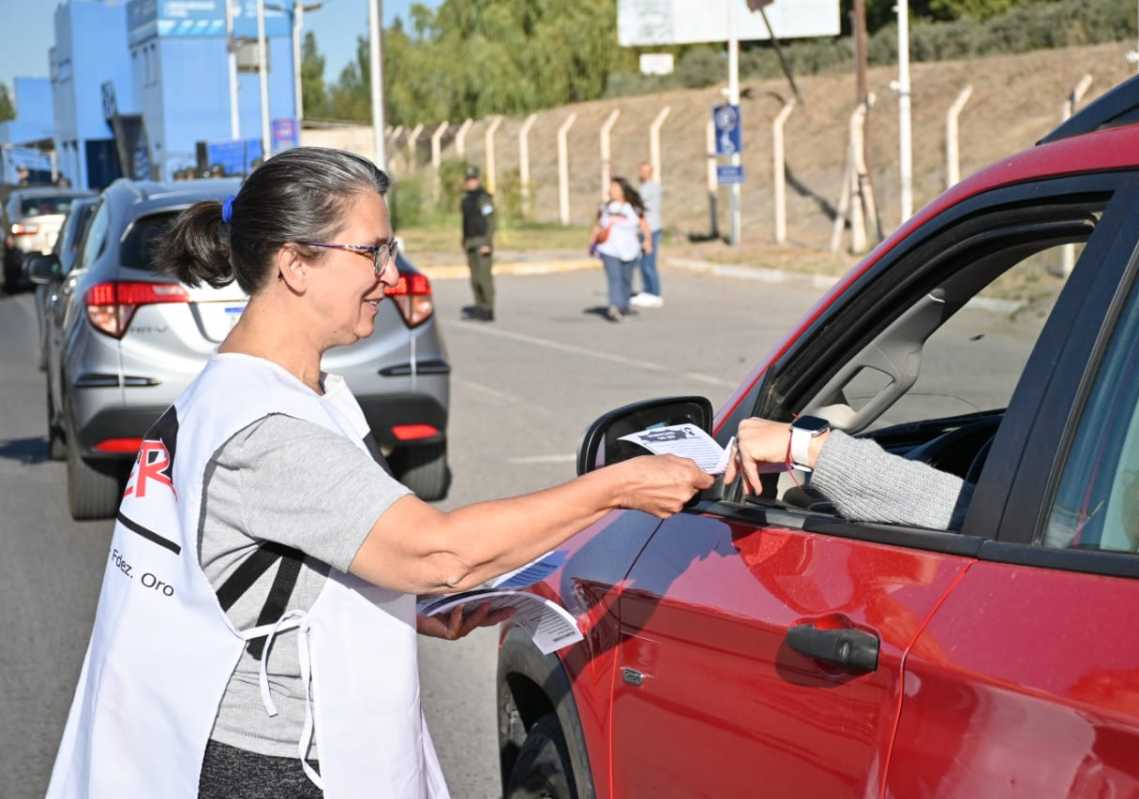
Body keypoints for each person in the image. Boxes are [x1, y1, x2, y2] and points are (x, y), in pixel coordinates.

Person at [46, 147, 712, 799]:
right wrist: (621, 484)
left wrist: (423, 602)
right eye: (372, 251)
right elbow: (437, 550)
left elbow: (294, 566)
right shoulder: (263, 430)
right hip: (278, 771)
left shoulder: (265, 393)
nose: (390, 275)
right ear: (295, 263)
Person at [725, 417, 1139, 559]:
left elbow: (956, 508)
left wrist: (808, 447)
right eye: (1138, 481)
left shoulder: (1135, 555)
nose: (1136, 498)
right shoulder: (1107, 542)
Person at [591, 176, 653, 323]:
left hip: (630, 249)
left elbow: (644, 225)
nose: (612, 190)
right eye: (611, 187)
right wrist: (592, 243)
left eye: (615, 187)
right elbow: (598, 226)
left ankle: (623, 305)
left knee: (626, 279)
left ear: (623, 190)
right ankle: (614, 307)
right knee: (615, 279)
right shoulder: (605, 208)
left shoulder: (634, 208)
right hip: (609, 250)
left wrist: (648, 241)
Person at [460, 164, 496, 322]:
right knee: (474, 278)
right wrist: (463, 239)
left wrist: (487, 243)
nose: (471, 183)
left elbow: (491, 221)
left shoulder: (484, 198)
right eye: (468, 180)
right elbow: (465, 221)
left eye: (473, 179)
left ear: (478, 180)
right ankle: (479, 306)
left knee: (483, 277)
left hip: (482, 241)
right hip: (470, 241)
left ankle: (488, 308)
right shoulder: (466, 199)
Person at [631, 162, 664, 308]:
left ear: (651, 172)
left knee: (648, 263)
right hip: (644, 229)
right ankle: (647, 291)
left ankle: (655, 293)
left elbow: (637, 203)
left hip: (651, 229)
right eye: (641, 170)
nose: (641, 173)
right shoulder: (644, 187)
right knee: (643, 263)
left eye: (644, 171)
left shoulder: (651, 187)